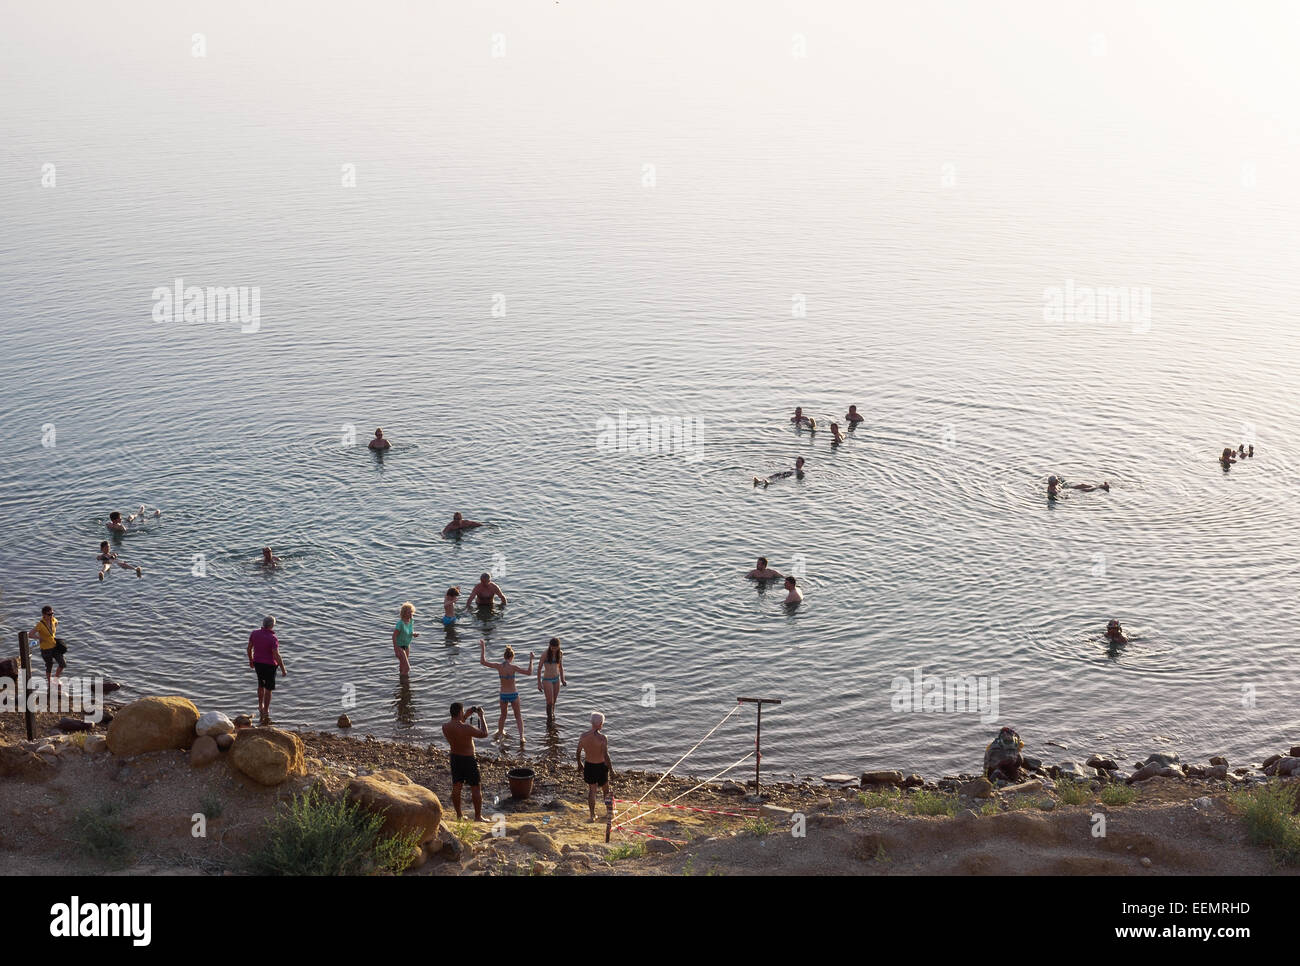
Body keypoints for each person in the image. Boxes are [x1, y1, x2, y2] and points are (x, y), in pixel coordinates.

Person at [479, 639, 533, 745]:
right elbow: (529, 672)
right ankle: (522, 737)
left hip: (503, 695)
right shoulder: (513, 667)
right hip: (513, 694)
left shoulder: (499, 666)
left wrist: (483, 647)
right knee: (518, 716)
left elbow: (483, 662)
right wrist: (531, 660)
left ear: (504, 656)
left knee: (503, 716)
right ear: (512, 657)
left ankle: (499, 734)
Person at [442, 702, 489, 821]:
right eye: (462, 712)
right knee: (475, 787)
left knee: (457, 786)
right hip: (468, 759)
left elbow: (457, 723)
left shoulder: (445, 727)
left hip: (455, 758)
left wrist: (466, 716)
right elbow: (484, 733)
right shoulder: (466, 728)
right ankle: (478, 817)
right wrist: (482, 716)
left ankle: (459, 815)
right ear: (459, 712)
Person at [247, 615, 287, 724]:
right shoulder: (273, 638)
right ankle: (266, 710)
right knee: (268, 689)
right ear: (272, 625)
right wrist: (283, 669)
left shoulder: (254, 633)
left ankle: (260, 706)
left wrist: (251, 660)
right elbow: (276, 655)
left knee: (260, 685)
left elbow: (249, 648)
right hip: (270, 666)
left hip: (258, 663)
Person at [577, 713, 613, 824]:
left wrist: (579, 764)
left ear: (591, 723)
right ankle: (609, 812)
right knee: (606, 791)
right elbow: (606, 755)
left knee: (592, 790)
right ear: (601, 724)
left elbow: (578, 752)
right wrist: (611, 769)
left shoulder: (583, 736)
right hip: (600, 766)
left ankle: (592, 815)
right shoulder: (602, 738)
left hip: (589, 765)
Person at [30, 605, 66, 679]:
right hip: (46, 649)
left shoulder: (53, 620)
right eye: (49, 614)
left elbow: (56, 623)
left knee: (62, 664)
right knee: (49, 665)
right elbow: (30, 634)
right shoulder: (40, 624)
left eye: (52, 613)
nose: (51, 615)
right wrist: (39, 638)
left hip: (54, 646)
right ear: (44, 615)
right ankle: (49, 683)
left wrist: (52, 633)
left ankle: (56, 679)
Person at [537, 637, 566, 721]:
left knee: (554, 701)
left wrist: (563, 679)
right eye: (552, 648)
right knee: (549, 702)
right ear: (549, 646)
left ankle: (552, 716)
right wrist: (539, 683)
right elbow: (539, 668)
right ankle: (549, 719)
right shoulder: (545, 654)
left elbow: (560, 667)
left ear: (558, 647)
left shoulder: (560, 653)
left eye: (555, 648)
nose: (553, 650)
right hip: (547, 680)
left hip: (556, 679)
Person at [392, 601, 418, 676]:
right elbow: (394, 636)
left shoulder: (411, 621)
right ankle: (405, 683)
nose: (411, 614)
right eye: (408, 613)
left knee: (402, 666)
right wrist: (396, 649)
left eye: (411, 612)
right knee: (407, 668)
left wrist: (413, 634)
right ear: (403, 613)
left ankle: (402, 683)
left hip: (407, 645)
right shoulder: (400, 624)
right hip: (399, 646)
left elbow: (410, 630)